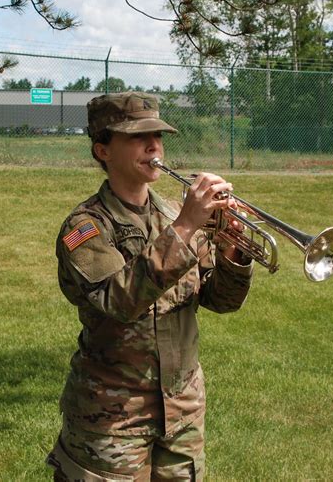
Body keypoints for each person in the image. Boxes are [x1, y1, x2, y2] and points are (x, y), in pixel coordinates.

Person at [46, 91, 254, 481]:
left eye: (158, 135)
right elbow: (118, 300)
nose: (153, 145)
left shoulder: (176, 214)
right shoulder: (86, 227)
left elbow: (221, 301)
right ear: (102, 150)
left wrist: (232, 254)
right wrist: (186, 228)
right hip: (112, 419)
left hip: (183, 413)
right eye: (136, 137)